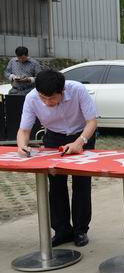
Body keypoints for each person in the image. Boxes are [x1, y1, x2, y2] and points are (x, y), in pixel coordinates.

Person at [16, 69, 97, 247]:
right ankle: (62, 230)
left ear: (62, 91)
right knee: (56, 185)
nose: (47, 103)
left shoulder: (77, 90)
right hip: (53, 138)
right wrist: (22, 145)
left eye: (52, 98)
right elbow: (24, 130)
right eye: (43, 98)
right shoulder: (31, 98)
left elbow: (92, 122)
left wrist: (80, 142)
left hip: (82, 135)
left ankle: (80, 230)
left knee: (81, 184)